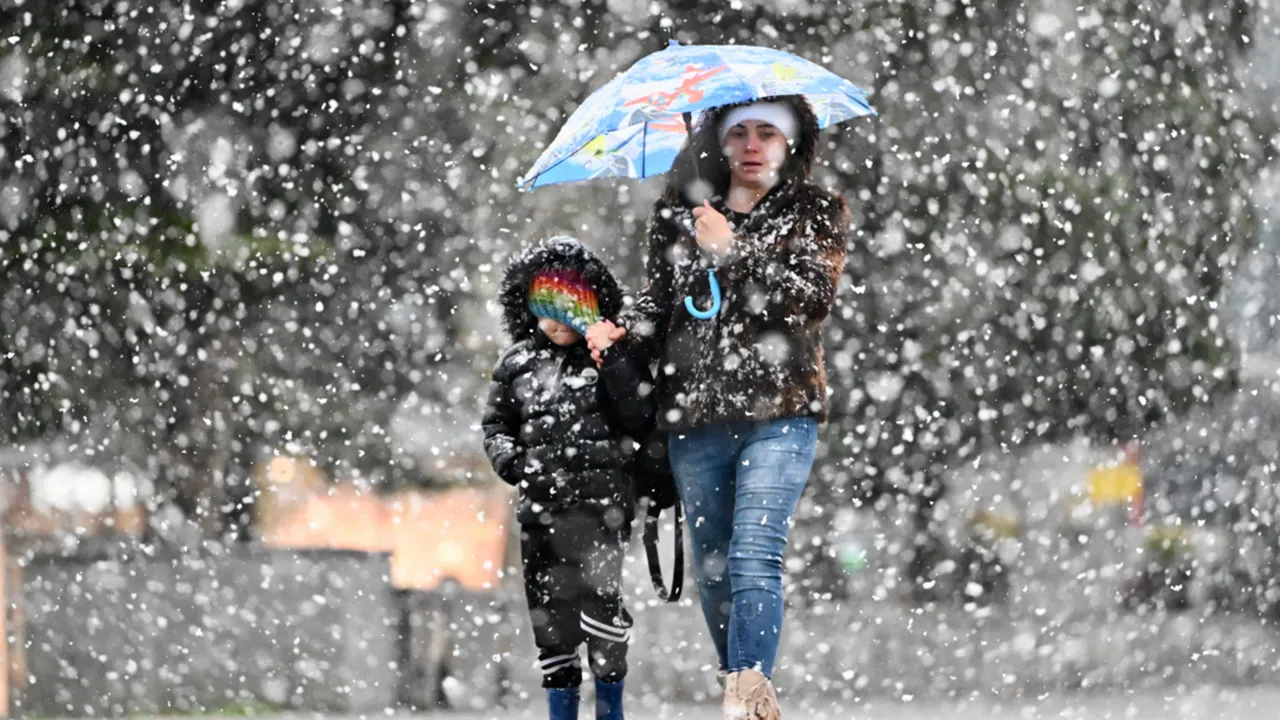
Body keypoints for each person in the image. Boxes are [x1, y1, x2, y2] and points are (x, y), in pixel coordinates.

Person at [586, 95, 851, 720]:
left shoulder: (815, 212)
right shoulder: (676, 217)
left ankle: (748, 691)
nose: (752, 145)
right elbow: (661, 304)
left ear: (792, 143)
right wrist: (620, 329)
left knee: (753, 553)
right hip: (695, 420)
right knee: (712, 572)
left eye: (768, 133)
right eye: (739, 134)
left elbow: (808, 302)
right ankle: (739, 689)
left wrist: (733, 250)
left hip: (780, 415)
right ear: (719, 142)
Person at [483, 236, 657, 720]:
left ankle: (610, 708)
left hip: (600, 512)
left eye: (569, 308)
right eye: (545, 308)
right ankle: (561, 709)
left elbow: (639, 416)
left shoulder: (609, 357)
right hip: (540, 514)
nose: (556, 322)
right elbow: (497, 425)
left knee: (602, 617)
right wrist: (512, 461)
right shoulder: (516, 364)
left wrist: (615, 360)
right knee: (552, 627)